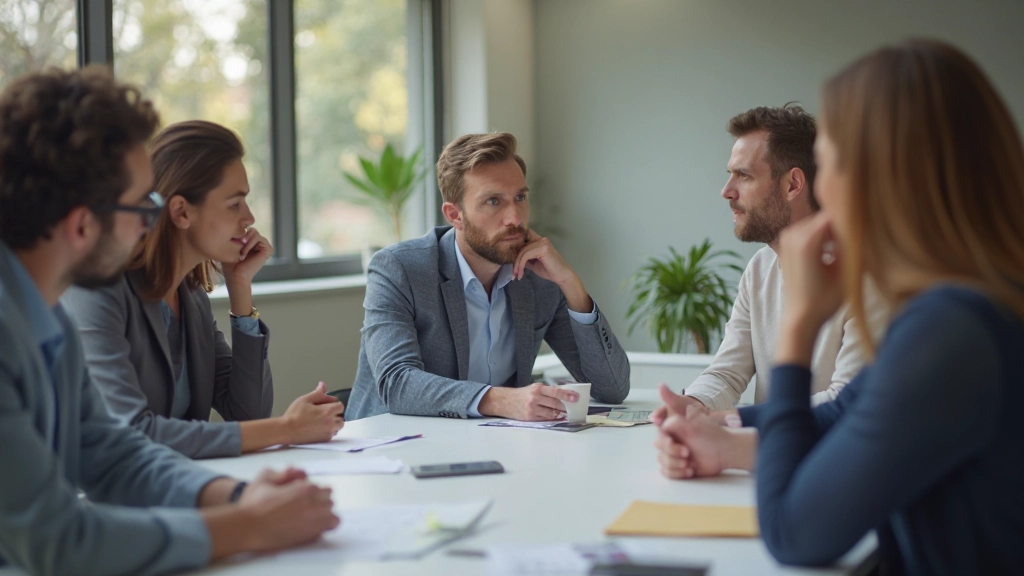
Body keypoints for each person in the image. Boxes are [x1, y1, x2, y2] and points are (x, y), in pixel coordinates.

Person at [654, 40, 1024, 573]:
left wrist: (800, 328)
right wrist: (720, 436)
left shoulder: (951, 330)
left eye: (831, 165)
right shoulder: (968, 298)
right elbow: (848, 414)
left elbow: (794, 533)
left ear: (879, 176)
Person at [0, 66, 337, 575]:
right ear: (82, 224)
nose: (148, 220)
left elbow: (114, 453)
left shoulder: (46, 316)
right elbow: (57, 539)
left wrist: (241, 494)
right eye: (141, 203)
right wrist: (250, 524)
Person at [62, 120, 344, 458]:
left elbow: (247, 413)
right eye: (235, 204)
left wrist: (240, 290)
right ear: (181, 211)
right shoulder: (98, 291)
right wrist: (288, 428)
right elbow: (130, 433)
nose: (250, 218)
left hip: (179, 485)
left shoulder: (190, 298)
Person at [346, 132, 630, 420]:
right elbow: (397, 383)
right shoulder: (400, 269)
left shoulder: (538, 277)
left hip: (490, 448)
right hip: (391, 448)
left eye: (520, 197)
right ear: (455, 215)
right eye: (494, 201)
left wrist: (571, 285)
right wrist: (500, 400)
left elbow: (612, 389)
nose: (515, 218)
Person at [653, 105, 882, 429]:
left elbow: (845, 401)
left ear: (792, 184)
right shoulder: (760, 267)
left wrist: (728, 421)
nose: (726, 191)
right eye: (730, 174)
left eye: (743, 175)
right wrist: (691, 406)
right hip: (765, 457)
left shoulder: (867, 276)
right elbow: (727, 372)